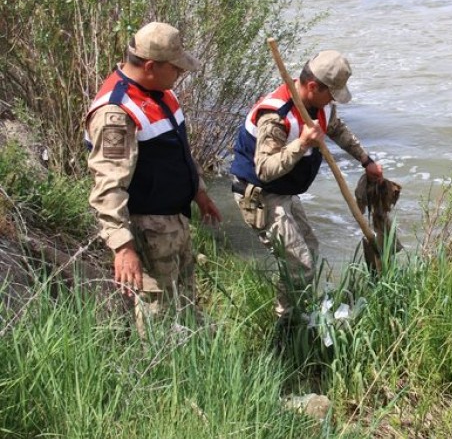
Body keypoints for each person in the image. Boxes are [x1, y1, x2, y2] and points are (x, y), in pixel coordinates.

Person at [85, 21, 222, 335]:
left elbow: (177, 151)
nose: (180, 74)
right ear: (150, 66)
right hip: (149, 231)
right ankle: (160, 378)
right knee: (157, 317)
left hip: (174, 223)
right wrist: (122, 247)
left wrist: (199, 192)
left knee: (185, 306)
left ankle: (191, 370)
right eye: (175, 68)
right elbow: (108, 186)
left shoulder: (160, 92)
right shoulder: (116, 113)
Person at [230, 50, 383, 316]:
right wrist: (301, 144)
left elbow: (336, 129)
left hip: (286, 192)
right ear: (313, 86)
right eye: (331, 94)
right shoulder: (276, 116)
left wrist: (366, 160)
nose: (333, 100)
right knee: (299, 265)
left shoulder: (320, 104)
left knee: (309, 249)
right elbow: (265, 169)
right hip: (260, 195)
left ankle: (299, 312)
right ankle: (287, 325)